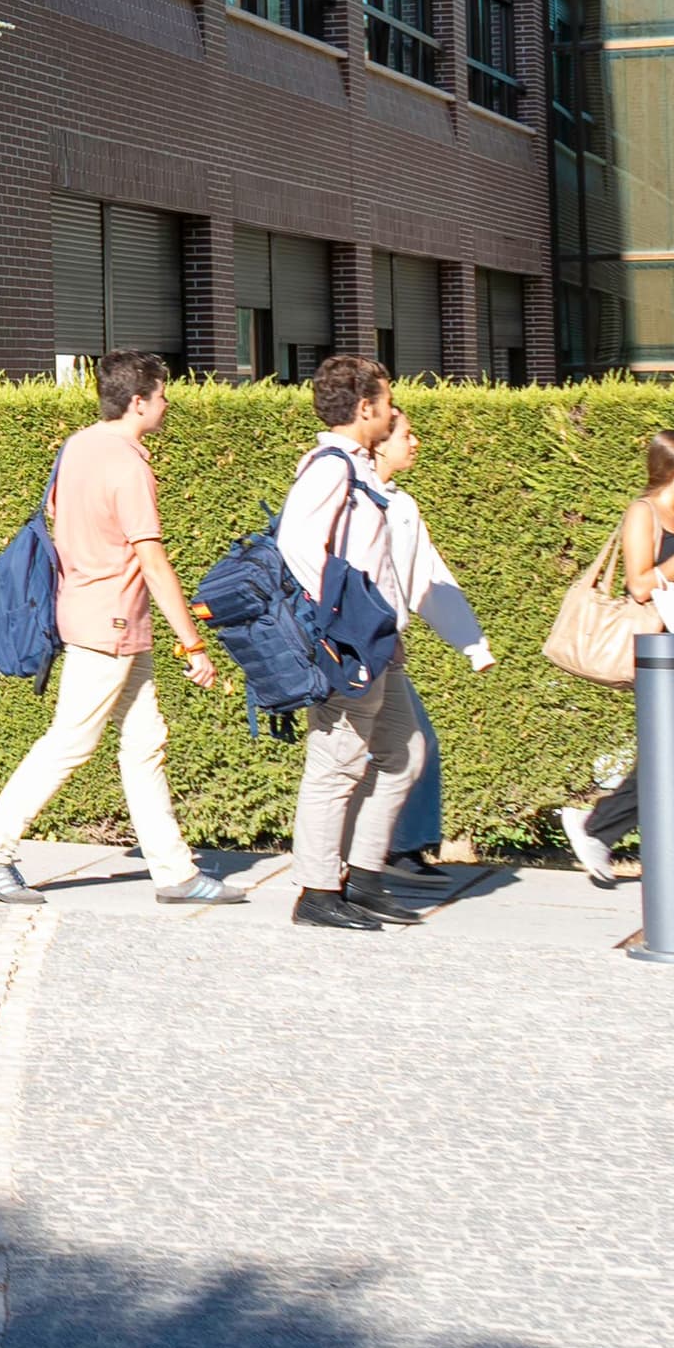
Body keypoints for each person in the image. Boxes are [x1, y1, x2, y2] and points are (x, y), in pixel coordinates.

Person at [0, 351, 234, 907]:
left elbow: (63, 521)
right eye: (161, 394)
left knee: (144, 742)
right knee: (71, 741)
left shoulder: (79, 445)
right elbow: (153, 561)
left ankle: (175, 871)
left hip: (99, 615)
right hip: (109, 623)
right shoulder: (128, 464)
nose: (167, 403)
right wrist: (193, 643)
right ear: (139, 401)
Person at [273, 354, 426, 933]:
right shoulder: (330, 466)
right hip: (351, 644)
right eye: (386, 401)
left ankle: (362, 877)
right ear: (365, 408)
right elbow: (297, 541)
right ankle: (316, 892)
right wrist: (339, 620)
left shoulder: (357, 466)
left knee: (403, 753)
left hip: (378, 641)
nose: (391, 411)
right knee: (334, 765)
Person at [559, 429, 674, 886]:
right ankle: (595, 828)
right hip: (658, 654)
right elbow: (640, 586)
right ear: (672, 468)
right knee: (673, 754)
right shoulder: (643, 512)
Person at [368, 407, 497, 873]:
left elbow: (428, 579)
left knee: (409, 745)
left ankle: (393, 850)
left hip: (383, 652)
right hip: (351, 652)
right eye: (407, 434)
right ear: (380, 441)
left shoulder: (402, 506)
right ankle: (363, 860)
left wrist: (472, 644)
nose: (415, 441)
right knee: (364, 756)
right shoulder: (353, 497)